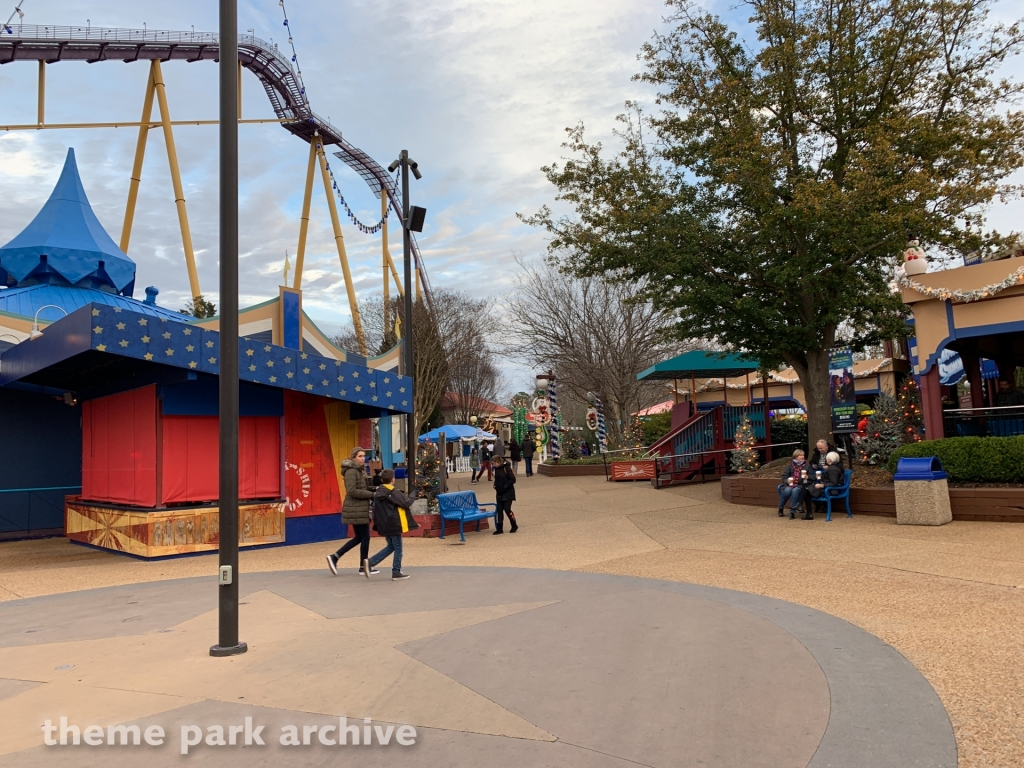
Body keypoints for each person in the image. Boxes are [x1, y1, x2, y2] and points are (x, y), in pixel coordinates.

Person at [326, 447, 378, 576]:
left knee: (359, 537)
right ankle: (363, 567)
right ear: (353, 457)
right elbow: (352, 491)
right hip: (356, 508)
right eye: (360, 456)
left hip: (358, 508)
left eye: (364, 456)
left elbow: (361, 487)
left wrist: (374, 489)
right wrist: (372, 494)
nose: (363, 458)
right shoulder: (351, 471)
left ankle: (335, 557)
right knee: (365, 536)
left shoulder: (358, 471)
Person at [366, 469, 418, 580]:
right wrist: (413, 494)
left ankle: (371, 562)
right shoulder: (394, 492)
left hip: (384, 524)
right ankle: (396, 572)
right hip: (394, 523)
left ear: (381, 480)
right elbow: (406, 503)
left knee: (391, 546)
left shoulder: (378, 493)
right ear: (393, 480)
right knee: (398, 548)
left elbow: (374, 510)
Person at [808, 451, 845, 516]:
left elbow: (834, 483)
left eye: (827, 458)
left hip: (831, 490)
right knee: (807, 489)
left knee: (807, 490)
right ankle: (814, 509)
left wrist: (822, 485)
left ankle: (806, 510)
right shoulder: (836, 467)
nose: (826, 460)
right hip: (829, 488)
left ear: (829, 460)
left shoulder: (832, 469)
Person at [778, 448, 811, 520]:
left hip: (801, 485)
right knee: (787, 491)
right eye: (800, 455)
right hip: (791, 484)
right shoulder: (790, 465)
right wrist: (787, 481)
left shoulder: (807, 465)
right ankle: (780, 508)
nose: (802, 457)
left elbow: (812, 476)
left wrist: (808, 476)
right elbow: (784, 476)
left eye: (803, 455)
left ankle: (792, 512)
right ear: (795, 456)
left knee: (795, 491)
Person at [492, 455, 518, 534]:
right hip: (499, 492)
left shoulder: (506, 467)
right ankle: (500, 528)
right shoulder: (496, 469)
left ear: (498, 462)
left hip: (508, 492)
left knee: (507, 509)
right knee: (499, 510)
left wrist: (505, 486)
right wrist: (495, 485)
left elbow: (512, 479)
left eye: (494, 463)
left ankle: (514, 524)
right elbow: (498, 479)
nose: (493, 465)